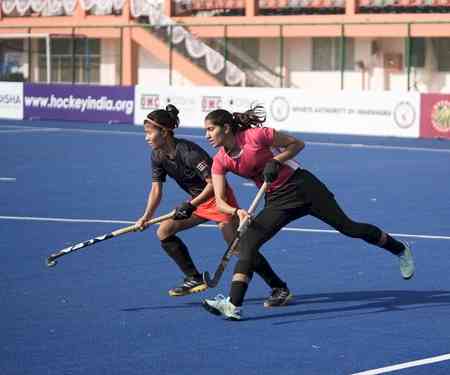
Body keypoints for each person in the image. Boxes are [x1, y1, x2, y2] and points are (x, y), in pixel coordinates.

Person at [201, 106, 415, 320]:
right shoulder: (220, 160)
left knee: (349, 228)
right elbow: (220, 201)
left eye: (210, 129)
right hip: (278, 200)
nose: (207, 135)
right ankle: (234, 304)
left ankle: (399, 249)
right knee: (247, 243)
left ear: (226, 128)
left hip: (304, 187)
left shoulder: (256, 136)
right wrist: (237, 211)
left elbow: (297, 144)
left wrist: (276, 161)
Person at [135, 104, 291, 305]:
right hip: (196, 203)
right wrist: (146, 216)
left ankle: (279, 287)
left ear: (164, 132)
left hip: (218, 199)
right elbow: (156, 189)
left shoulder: (189, 152)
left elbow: (212, 184)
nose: (146, 137)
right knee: (164, 231)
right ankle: (194, 278)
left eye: (149, 132)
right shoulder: (157, 155)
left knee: (238, 249)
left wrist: (191, 204)